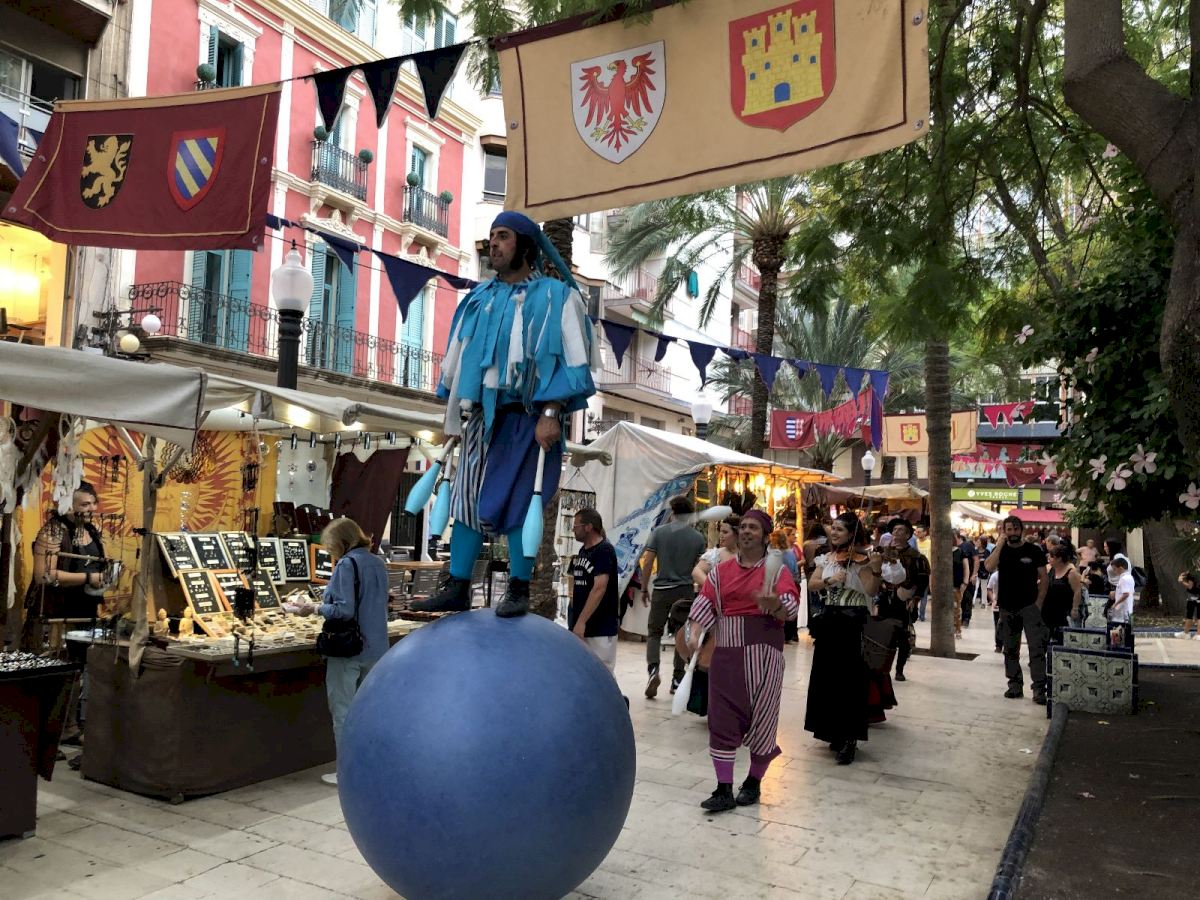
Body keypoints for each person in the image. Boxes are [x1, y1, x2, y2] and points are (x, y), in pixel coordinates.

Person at [412, 211, 597, 618]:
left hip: (529, 417)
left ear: (525, 247)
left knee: (519, 500)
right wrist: (454, 418)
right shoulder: (478, 299)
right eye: (492, 236)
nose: (493, 243)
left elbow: (571, 360)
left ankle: (519, 587)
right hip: (481, 418)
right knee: (467, 496)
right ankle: (457, 584)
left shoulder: (556, 297)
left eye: (503, 236)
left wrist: (551, 412)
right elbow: (459, 360)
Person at [684, 509, 800, 811]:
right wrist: (694, 633)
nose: (747, 531)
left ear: (764, 536)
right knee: (721, 718)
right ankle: (723, 788)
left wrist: (775, 604)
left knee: (763, 720)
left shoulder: (777, 572)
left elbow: (790, 609)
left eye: (753, 528)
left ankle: (753, 782)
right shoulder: (721, 572)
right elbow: (705, 603)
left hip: (765, 656)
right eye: (744, 527)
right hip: (726, 656)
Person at [804, 511, 884, 765]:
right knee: (827, 678)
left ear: (852, 534)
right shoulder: (826, 558)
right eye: (833, 528)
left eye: (840, 529)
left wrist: (875, 570)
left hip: (852, 623)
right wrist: (830, 579)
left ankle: (850, 738)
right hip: (830, 622)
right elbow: (813, 584)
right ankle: (833, 731)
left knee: (850, 681)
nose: (834, 532)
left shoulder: (861, 560)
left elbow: (870, 590)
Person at [314, 518, 388, 786]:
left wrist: (314, 608)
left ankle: (346, 773)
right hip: (376, 648)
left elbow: (343, 610)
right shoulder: (377, 562)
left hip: (348, 650)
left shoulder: (347, 564)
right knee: (368, 712)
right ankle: (370, 767)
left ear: (340, 542)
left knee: (343, 713)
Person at [638, 496, 706, 698]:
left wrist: (644, 588)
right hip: (685, 591)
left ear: (673, 512)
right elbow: (701, 568)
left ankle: (653, 670)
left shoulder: (659, 533)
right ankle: (677, 678)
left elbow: (648, 562)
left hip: (661, 590)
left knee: (654, 632)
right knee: (680, 635)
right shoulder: (697, 538)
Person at [986, 516, 1049, 704]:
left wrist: (1038, 603)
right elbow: (988, 566)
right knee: (1010, 649)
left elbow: (1044, 578)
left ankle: (1039, 689)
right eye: (1009, 529)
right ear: (1004, 531)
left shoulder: (1034, 550)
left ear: (1021, 530)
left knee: (1036, 649)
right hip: (1007, 608)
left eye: (1015, 529)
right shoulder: (1001, 550)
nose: (1012, 533)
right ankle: (1014, 685)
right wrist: (999, 544)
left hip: (1029, 607)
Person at [873, 518, 928, 683]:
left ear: (908, 534)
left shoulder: (917, 557)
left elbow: (922, 580)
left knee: (903, 636)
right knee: (883, 635)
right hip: (884, 599)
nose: (896, 533)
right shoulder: (881, 553)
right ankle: (882, 669)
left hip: (904, 600)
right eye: (894, 530)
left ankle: (899, 670)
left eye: (901, 530)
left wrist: (915, 599)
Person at [567, 508, 619, 673]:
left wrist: (581, 622)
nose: (573, 529)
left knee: (602, 674)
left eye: (576, 525)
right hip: (583, 627)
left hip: (600, 627)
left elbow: (599, 588)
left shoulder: (604, 550)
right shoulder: (583, 551)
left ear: (588, 527)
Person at [769, 530, 801, 643]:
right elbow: (795, 570)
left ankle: (785, 635)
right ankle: (791, 635)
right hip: (793, 583)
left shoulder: (777, 554)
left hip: (781, 584)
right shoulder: (791, 553)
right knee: (792, 607)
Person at [1044, 544, 1082, 634]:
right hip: (1047, 608)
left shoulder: (1071, 573)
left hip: (1062, 610)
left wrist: (1075, 609)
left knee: (1060, 635)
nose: (1049, 558)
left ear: (1059, 559)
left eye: (1052, 557)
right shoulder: (1050, 569)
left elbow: (1077, 591)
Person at [1108, 557, 1136, 650]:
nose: (1114, 572)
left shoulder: (1124, 578)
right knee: (1128, 633)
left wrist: (1115, 604)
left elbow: (1126, 594)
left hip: (1121, 611)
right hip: (1127, 611)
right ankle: (1126, 649)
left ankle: (1116, 650)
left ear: (1120, 568)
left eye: (1115, 569)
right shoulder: (1129, 577)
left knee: (1117, 630)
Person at [1178, 572, 1200, 639]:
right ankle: (1197, 634)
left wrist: (1181, 581)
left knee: (1190, 615)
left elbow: (1190, 586)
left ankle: (1186, 633)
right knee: (1197, 615)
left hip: (1193, 596)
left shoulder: (1194, 572)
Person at [986, 564, 1002, 652]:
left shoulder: (994, 575)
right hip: (997, 604)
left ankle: (1000, 645)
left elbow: (989, 589)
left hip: (1003, 604)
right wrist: (993, 600)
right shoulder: (995, 576)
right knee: (998, 625)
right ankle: (999, 645)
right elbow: (989, 589)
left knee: (999, 625)